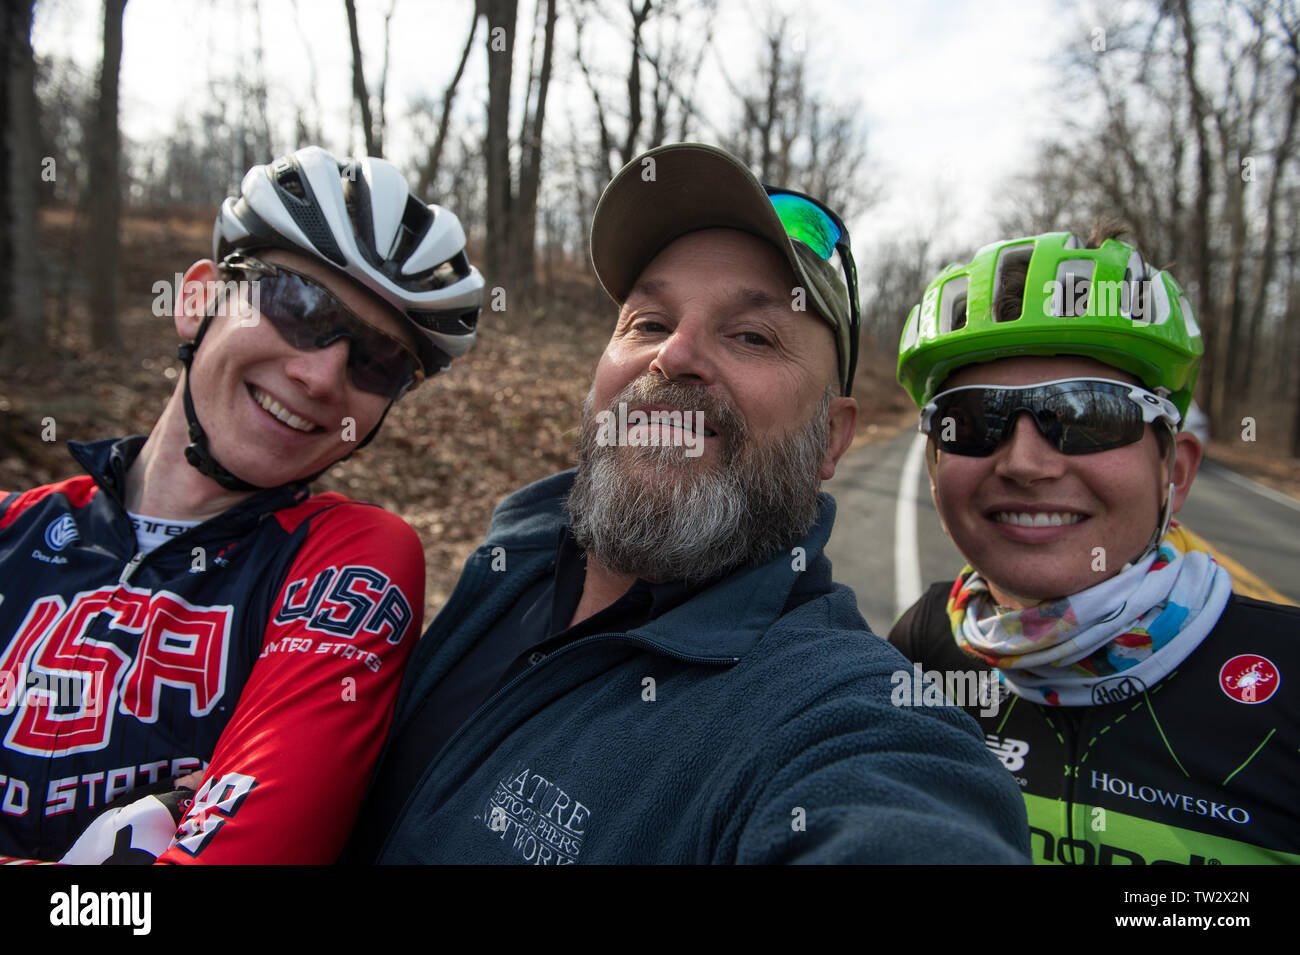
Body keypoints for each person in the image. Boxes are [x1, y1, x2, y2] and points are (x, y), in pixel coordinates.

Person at [345, 142, 1030, 864]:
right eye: (647, 321)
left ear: (832, 437)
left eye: (752, 335)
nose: (673, 356)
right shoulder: (513, 552)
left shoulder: (837, 715)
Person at [0, 146, 484, 863]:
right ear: (198, 301)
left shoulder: (350, 559)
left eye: (378, 361)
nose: (321, 375)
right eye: (296, 304)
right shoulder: (14, 527)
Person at [889, 225, 1300, 864]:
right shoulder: (920, 647)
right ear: (937, 465)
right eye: (970, 420)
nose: (1025, 463)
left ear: (1176, 472)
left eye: (1087, 415)